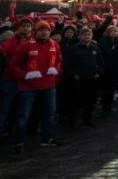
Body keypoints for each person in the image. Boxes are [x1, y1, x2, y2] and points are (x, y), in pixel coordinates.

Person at [9, 21, 62, 153]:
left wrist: (54, 75)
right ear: (35, 31)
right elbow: (13, 64)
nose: (44, 32)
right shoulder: (25, 45)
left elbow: (58, 61)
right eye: (41, 30)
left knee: (49, 113)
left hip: (48, 85)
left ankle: (46, 139)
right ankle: (19, 142)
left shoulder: (54, 45)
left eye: (47, 30)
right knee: (23, 115)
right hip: (28, 86)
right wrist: (24, 76)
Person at [66, 27, 104, 129]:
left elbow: (101, 63)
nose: (87, 36)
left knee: (90, 102)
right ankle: (72, 122)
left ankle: (87, 121)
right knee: (75, 102)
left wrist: (98, 73)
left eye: (89, 35)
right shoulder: (74, 49)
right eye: (84, 34)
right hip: (78, 81)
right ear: (79, 36)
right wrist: (74, 74)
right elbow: (68, 65)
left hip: (92, 80)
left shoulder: (95, 48)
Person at [0, 18, 33, 136]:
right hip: (10, 78)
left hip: (26, 80)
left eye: (28, 26)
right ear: (19, 27)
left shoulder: (34, 41)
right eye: (23, 26)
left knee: (21, 109)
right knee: (5, 107)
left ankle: (16, 131)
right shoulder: (11, 40)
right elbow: (4, 53)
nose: (25, 28)